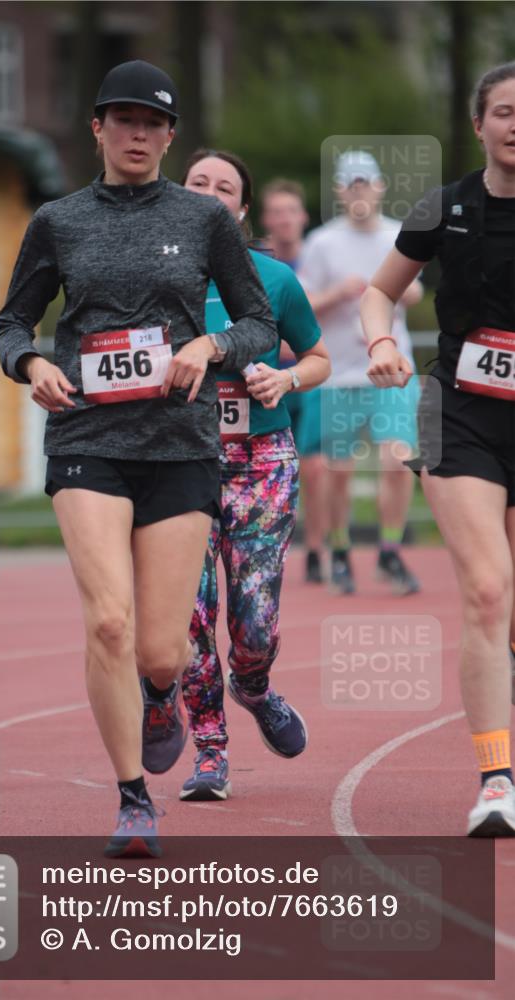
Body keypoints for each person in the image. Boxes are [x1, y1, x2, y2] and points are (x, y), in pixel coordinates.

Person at [0, 62, 277, 857]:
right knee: (108, 621)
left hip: (179, 445)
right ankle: (131, 797)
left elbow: (256, 322)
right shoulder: (58, 220)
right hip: (86, 439)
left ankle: (162, 695)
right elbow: (12, 322)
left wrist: (211, 343)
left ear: (169, 134)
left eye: (151, 123)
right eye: (122, 120)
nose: (137, 134)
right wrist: (30, 365)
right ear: (97, 128)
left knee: (161, 647)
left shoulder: (203, 219)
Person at [361, 62, 515, 836]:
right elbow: (377, 289)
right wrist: (379, 339)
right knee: (489, 590)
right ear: (478, 123)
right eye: (504, 112)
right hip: (458, 412)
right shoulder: (445, 206)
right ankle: (495, 779)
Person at [179, 150, 330, 801]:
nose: (211, 195)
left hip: (260, 462)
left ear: (241, 210)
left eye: (225, 189)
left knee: (254, 624)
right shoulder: (151, 278)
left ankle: (255, 685)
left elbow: (319, 356)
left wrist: (286, 375)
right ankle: (208, 752)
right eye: (197, 184)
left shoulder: (274, 279)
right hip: (178, 463)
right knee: (189, 620)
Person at [299, 150, 424, 595]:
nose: (358, 191)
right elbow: (302, 304)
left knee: (397, 462)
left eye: (365, 183)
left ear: (379, 187)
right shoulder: (322, 242)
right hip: (340, 374)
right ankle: (341, 551)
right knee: (339, 470)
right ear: (338, 190)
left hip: (392, 368)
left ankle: (390, 551)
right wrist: (337, 293)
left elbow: (416, 291)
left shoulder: (398, 234)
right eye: (350, 184)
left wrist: (386, 292)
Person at [258, 179, 328, 583]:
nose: (285, 219)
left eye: (291, 211)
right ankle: (269, 543)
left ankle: (316, 547)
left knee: (315, 467)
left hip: (306, 376)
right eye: (277, 212)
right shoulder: (254, 262)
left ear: (303, 217)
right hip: (264, 379)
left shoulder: (319, 258)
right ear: (266, 219)